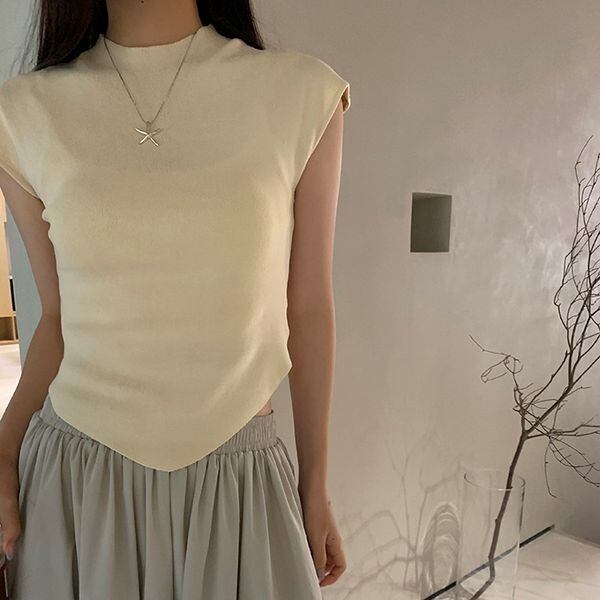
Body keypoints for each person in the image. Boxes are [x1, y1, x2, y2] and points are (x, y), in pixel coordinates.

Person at [0, 0, 351, 598]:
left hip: (238, 482)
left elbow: (309, 307)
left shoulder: (301, 95)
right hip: (77, 484)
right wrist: (5, 450)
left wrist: (314, 485)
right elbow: (57, 319)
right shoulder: (24, 113)